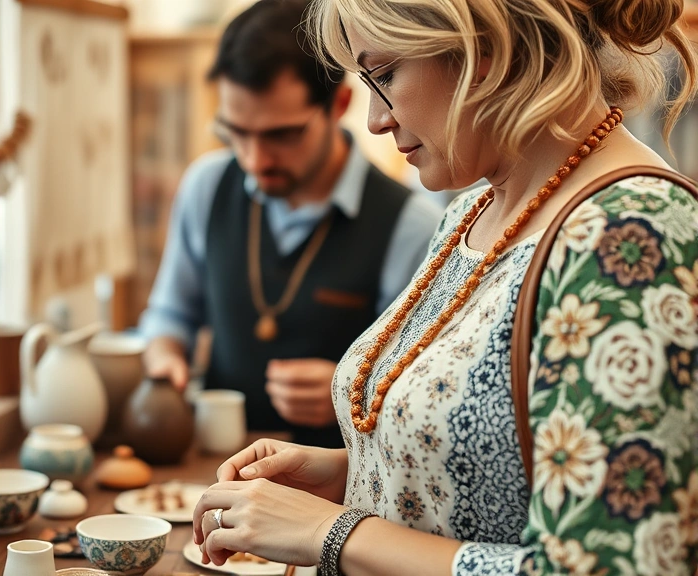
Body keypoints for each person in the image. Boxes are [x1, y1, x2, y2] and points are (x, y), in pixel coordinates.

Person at [192, 0, 698, 574]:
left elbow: (606, 566)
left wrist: (328, 532)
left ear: (480, 48)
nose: (375, 121)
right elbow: (497, 473)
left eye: (383, 75)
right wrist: (354, 469)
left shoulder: (629, 233)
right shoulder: (474, 211)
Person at [140, 0, 443, 449]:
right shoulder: (207, 186)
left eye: (281, 135)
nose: (254, 160)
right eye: (236, 133)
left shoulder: (413, 225)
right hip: (217, 462)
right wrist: (164, 354)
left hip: (339, 485)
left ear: (339, 104)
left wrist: (347, 392)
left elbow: (418, 393)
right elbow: (171, 315)